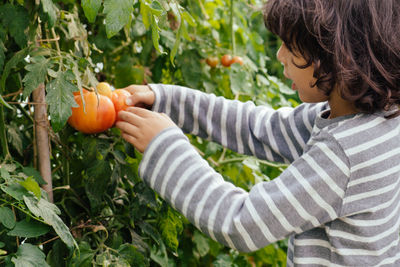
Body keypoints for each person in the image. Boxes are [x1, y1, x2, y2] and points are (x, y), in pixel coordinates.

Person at [115, 0, 400, 265]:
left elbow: (240, 223)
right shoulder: (374, 119)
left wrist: (164, 147)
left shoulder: (343, 154)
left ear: (336, 54)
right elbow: (259, 129)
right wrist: (167, 100)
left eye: (290, 45)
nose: (280, 55)